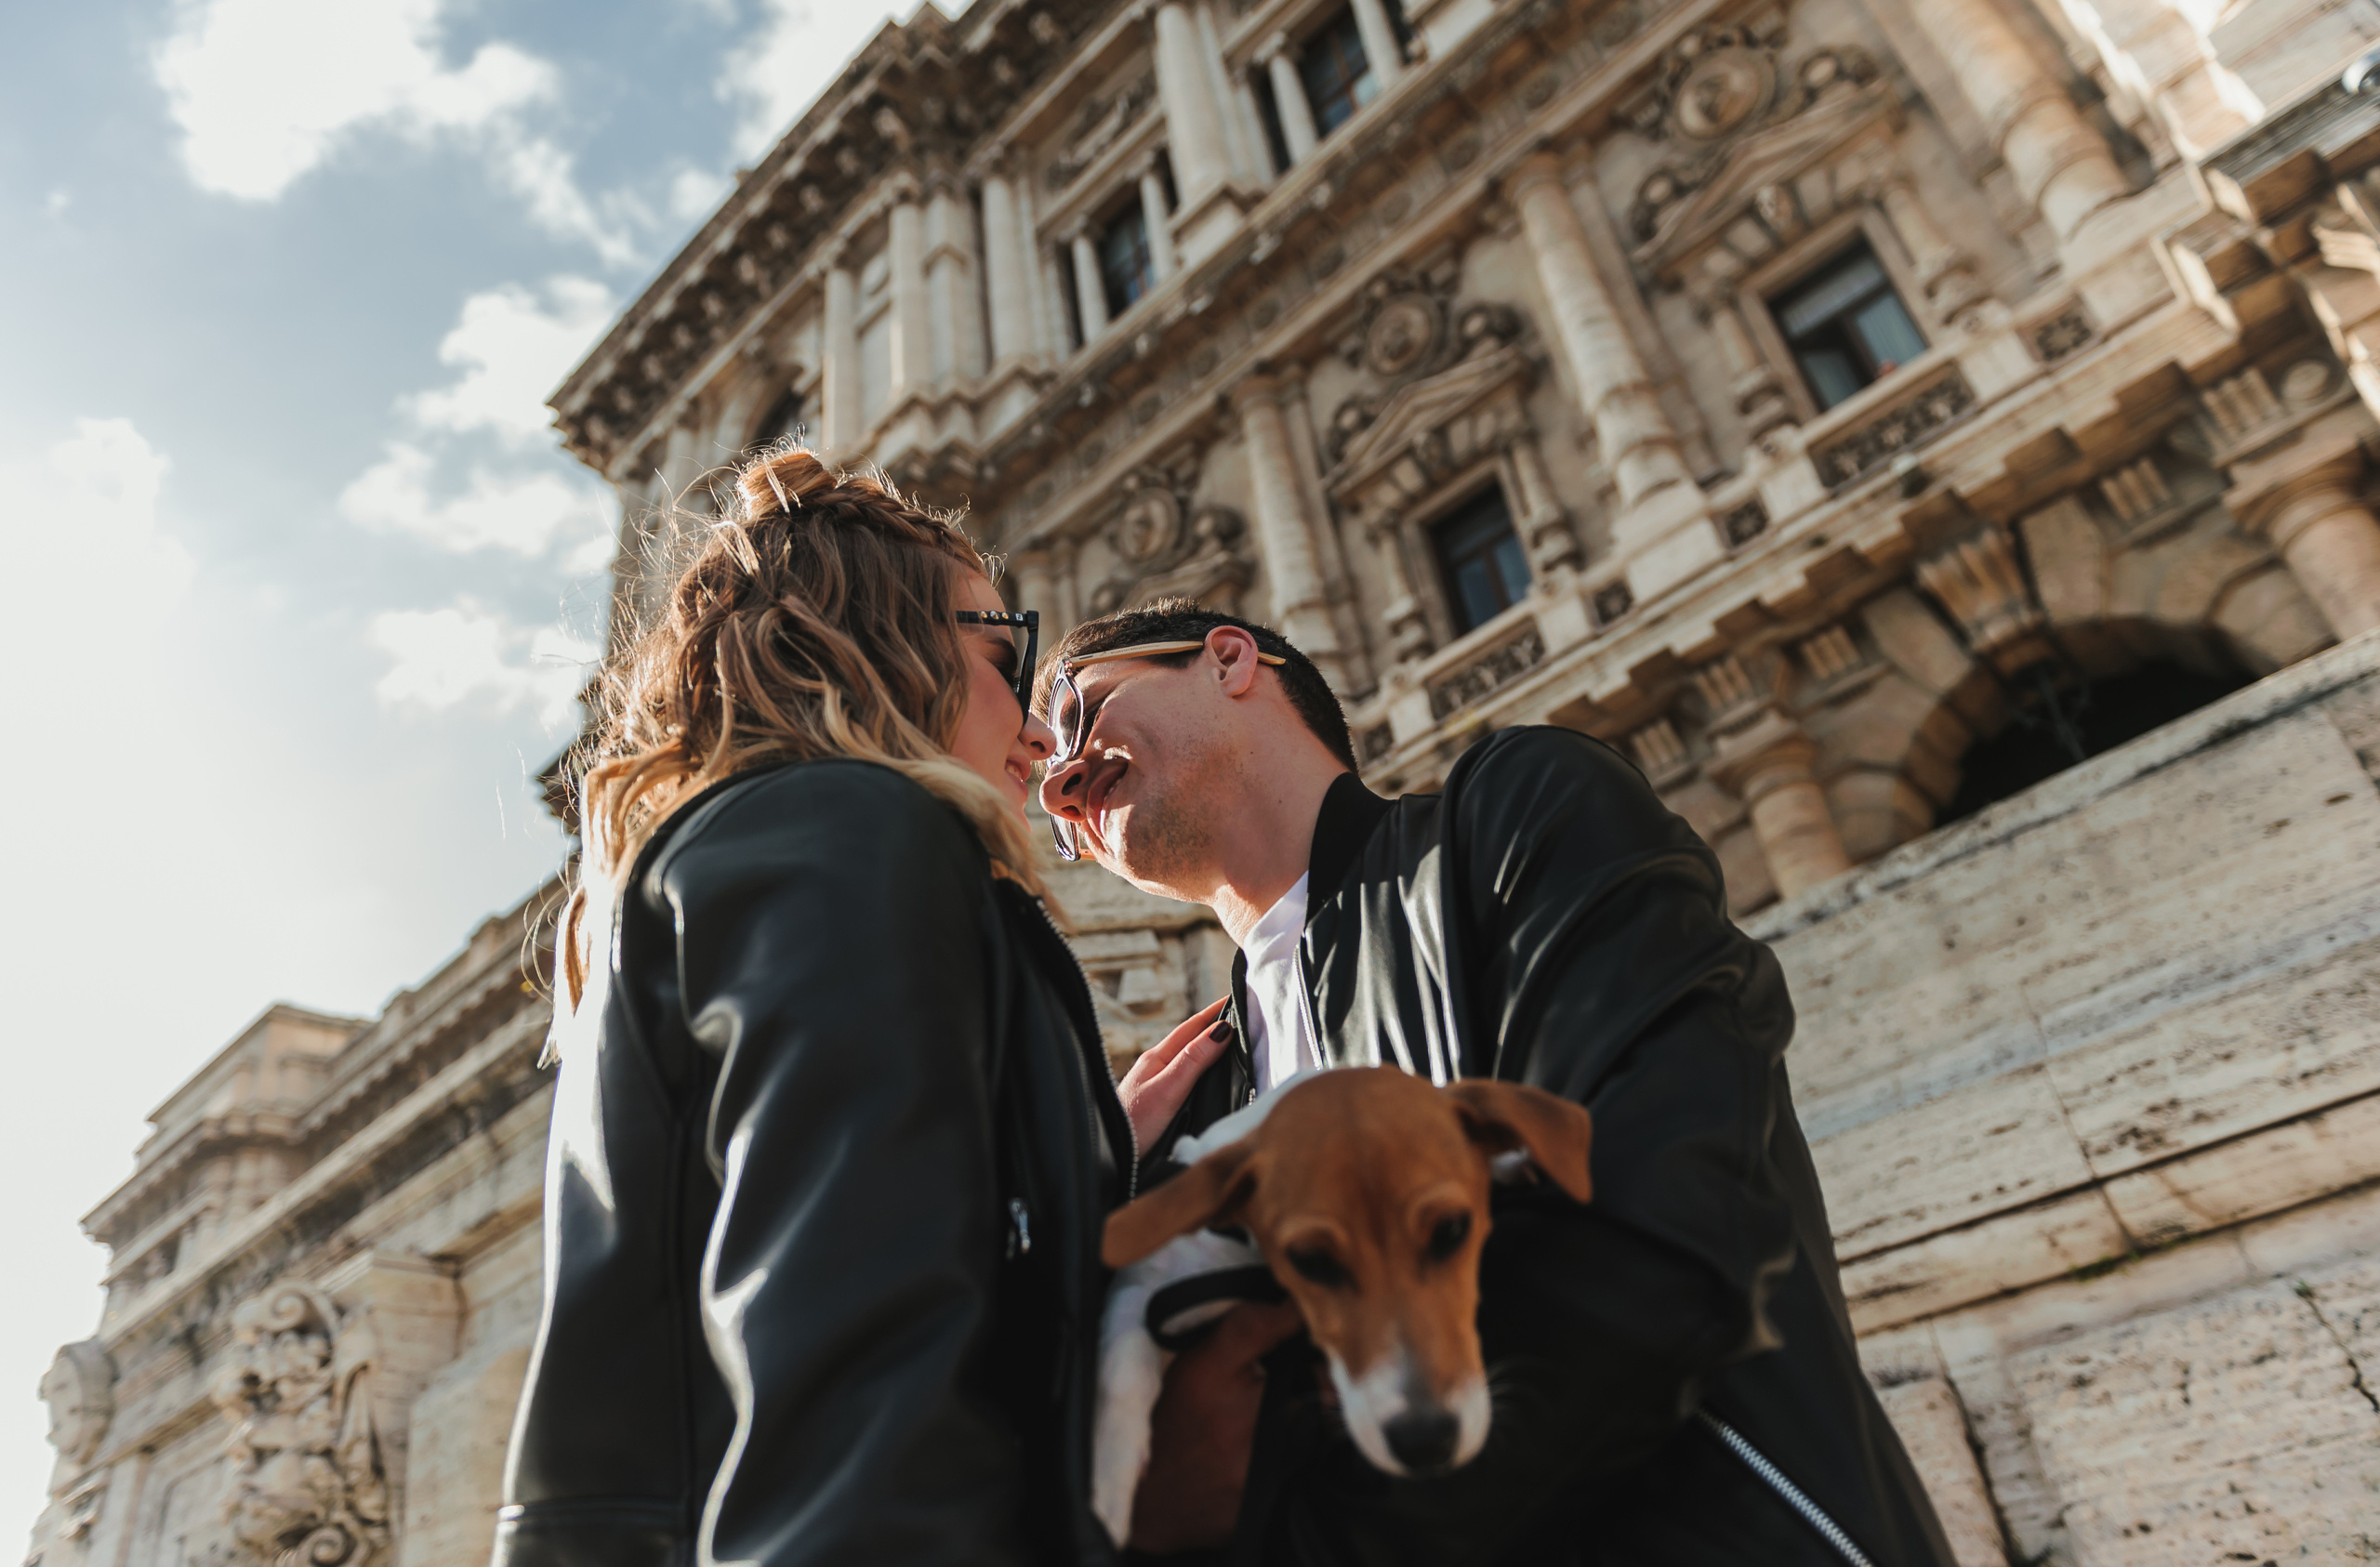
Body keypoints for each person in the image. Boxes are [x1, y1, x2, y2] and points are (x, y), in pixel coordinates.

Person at [1037, 598, 1956, 1566]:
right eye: (1051, 786)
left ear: (1229, 659)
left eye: (1078, 712)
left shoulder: (1514, 818)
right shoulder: (1196, 1108)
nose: (1061, 781)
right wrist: (1097, 1178)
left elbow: (1669, 1224)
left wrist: (1300, 1531)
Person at [496, 448, 1219, 1567]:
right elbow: (855, 1371)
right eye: (1001, 650)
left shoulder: (741, 856)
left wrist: (1070, 1159)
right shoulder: (854, 831)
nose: (1040, 731)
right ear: (888, 645)